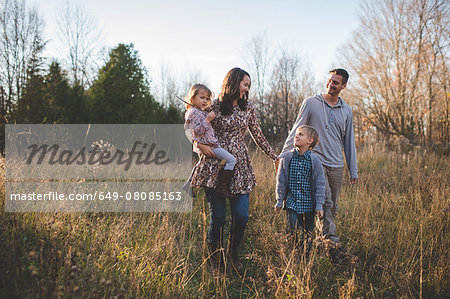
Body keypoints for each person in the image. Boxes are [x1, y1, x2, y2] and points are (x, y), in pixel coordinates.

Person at [191, 67, 278, 272]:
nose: (247, 89)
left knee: (241, 216)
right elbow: (194, 126)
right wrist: (199, 146)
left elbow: (258, 135)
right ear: (233, 82)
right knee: (218, 218)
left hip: (240, 167)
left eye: (249, 86)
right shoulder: (214, 105)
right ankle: (215, 259)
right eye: (244, 84)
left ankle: (233, 253)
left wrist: (274, 156)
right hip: (214, 165)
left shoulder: (248, 109)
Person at [279, 68, 358, 246]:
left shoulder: (347, 110)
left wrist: (353, 170)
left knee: (331, 207)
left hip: (336, 165)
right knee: (327, 202)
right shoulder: (311, 103)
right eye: (330, 80)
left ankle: (320, 240)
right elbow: (296, 130)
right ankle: (333, 245)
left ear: (343, 86)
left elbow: (349, 141)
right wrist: (283, 157)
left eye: (336, 82)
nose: (331, 84)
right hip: (316, 162)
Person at [274, 125, 325, 254]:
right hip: (292, 202)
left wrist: (319, 205)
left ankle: (305, 256)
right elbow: (281, 181)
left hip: (309, 204)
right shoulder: (286, 158)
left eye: (301, 134)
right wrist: (279, 201)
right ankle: (293, 253)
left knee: (308, 233)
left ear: (310, 141)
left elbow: (320, 184)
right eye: (296, 134)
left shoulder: (315, 161)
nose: (296, 136)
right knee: (293, 229)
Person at [183, 83, 237, 197]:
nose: (205, 101)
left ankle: (189, 185)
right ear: (193, 98)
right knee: (231, 160)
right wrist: (207, 120)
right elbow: (196, 131)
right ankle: (223, 187)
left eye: (207, 98)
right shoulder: (193, 113)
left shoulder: (199, 112)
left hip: (209, 144)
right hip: (210, 146)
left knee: (200, 164)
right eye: (202, 98)